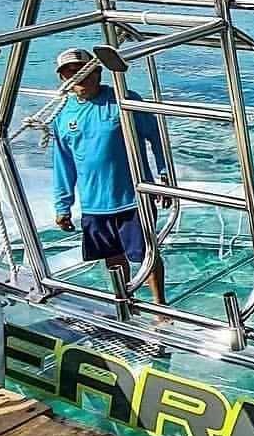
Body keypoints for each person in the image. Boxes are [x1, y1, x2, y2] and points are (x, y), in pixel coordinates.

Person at [51, 47, 167, 307]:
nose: (80, 77)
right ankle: (125, 303)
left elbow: (156, 137)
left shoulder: (124, 100)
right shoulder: (61, 116)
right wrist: (62, 206)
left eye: (85, 71)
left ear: (98, 72)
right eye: (71, 72)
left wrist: (164, 174)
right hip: (94, 203)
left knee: (147, 254)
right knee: (112, 257)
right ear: (63, 78)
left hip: (134, 198)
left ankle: (161, 308)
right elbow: (63, 164)